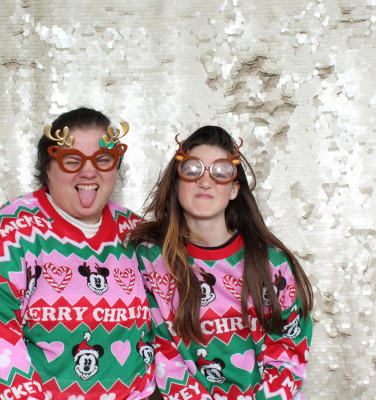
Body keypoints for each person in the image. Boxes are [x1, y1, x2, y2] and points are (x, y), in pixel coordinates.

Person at [0, 107, 155, 399]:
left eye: (103, 159)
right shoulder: (11, 230)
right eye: (72, 160)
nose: (89, 171)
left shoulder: (136, 234)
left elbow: (172, 321)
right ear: (47, 168)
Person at [129, 126, 313, 399]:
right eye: (192, 170)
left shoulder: (272, 263)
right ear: (176, 183)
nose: (205, 182)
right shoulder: (151, 260)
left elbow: (289, 347)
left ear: (234, 189)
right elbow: (162, 351)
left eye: (221, 172)